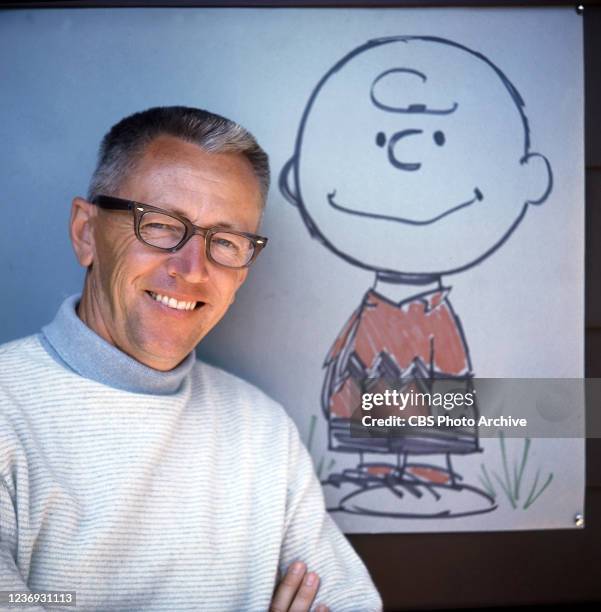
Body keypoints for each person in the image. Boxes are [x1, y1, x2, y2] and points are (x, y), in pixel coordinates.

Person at [0, 106, 382, 612]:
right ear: (86, 233)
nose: (192, 269)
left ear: (242, 271)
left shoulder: (263, 431)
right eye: (159, 225)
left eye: (225, 242)